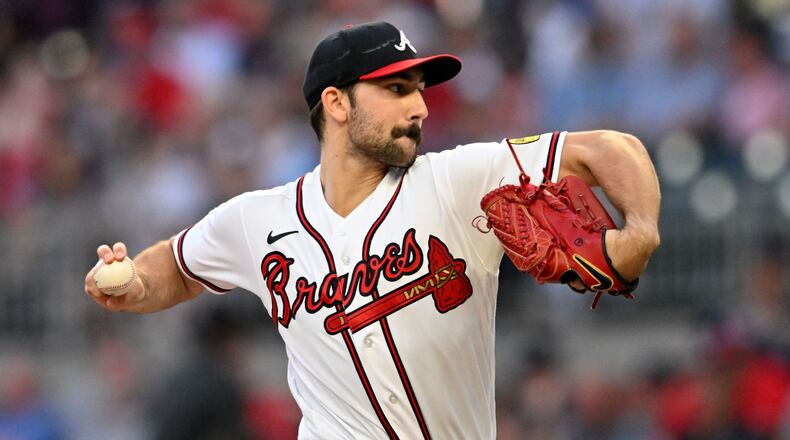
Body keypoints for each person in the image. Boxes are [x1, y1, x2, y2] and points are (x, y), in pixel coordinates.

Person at [84, 21, 660, 439]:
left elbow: (611, 149)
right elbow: (178, 266)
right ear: (336, 103)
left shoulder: (459, 180)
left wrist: (639, 235)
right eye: (396, 89)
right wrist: (135, 282)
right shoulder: (257, 220)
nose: (420, 107)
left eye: (419, 89)